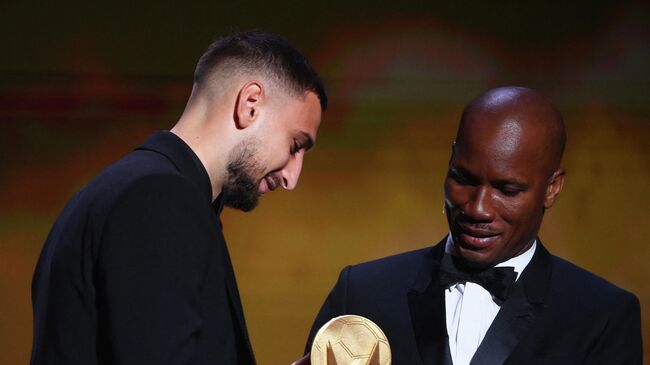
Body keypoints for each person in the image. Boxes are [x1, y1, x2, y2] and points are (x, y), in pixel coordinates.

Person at [30, 31, 327, 365]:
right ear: (250, 104)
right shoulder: (157, 199)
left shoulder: (133, 188)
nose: (292, 177)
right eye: (295, 145)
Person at [305, 87, 642, 365]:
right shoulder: (362, 293)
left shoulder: (603, 316)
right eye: (463, 179)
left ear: (552, 188)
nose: (478, 208)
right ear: (451, 160)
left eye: (507, 190)